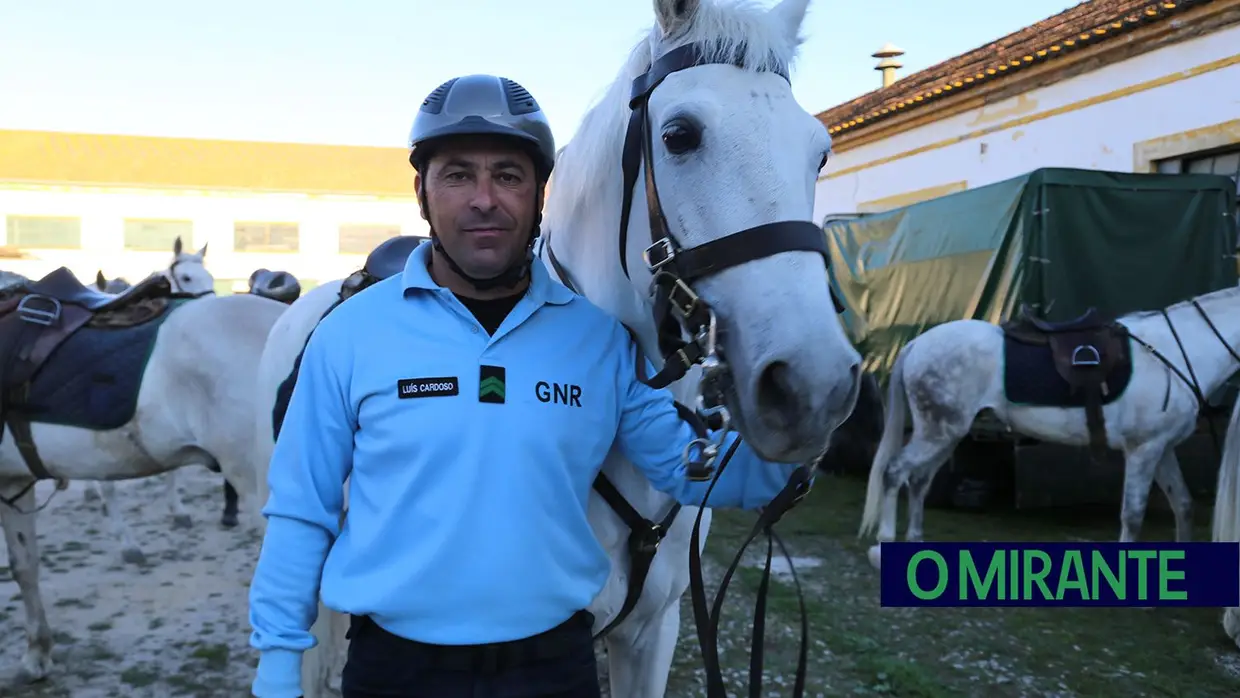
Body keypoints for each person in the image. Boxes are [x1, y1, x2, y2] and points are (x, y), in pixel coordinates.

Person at [248, 74, 809, 698]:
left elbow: (682, 465)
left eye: (508, 176)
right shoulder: (349, 335)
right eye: (458, 174)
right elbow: (302, 511)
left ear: (540, 194)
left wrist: (787, 445)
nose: (484, 199)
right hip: (396, 671)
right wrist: (277, 666)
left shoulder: (597, 342)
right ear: (421, 192)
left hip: (553, 671)